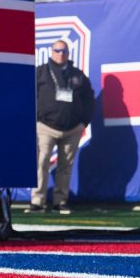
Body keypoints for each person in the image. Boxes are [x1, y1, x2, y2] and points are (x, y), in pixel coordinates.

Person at [33, 40, 93, 212]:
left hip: (72, 128)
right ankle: (37, 201)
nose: (61, 54)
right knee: (41, 162)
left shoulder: (77, 74)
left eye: (64, 51)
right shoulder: (41, 72)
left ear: (68, 53)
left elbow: (89, 99)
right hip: (46, 126)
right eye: (57, 50)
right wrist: (37, 118)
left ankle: (60, 201)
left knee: (65, 166)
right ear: (51, 52)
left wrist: (83, 122)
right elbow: (29, 95)